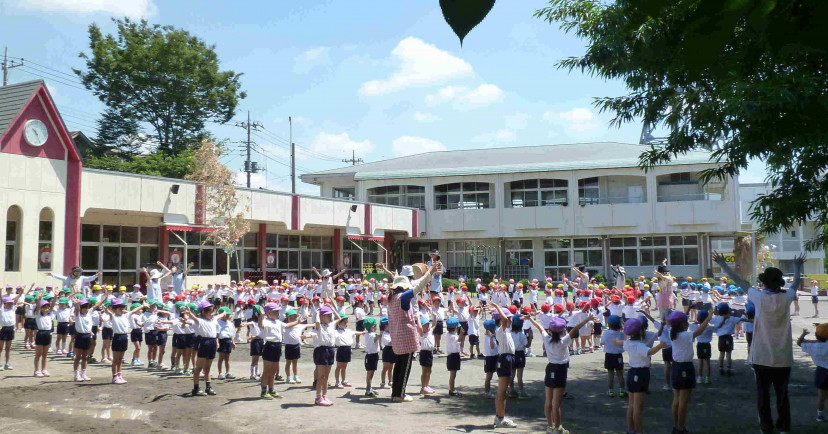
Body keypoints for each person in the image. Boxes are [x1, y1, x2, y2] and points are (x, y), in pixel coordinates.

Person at [714, 251, 803, 434]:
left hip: (761, 356)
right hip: (783, 357)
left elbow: (740, 282)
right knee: (782, 394)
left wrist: (723, 265)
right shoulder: (786, 298)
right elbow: (795, 283)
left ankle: (766, 426)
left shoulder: (759, 297)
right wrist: (797, 267)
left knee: (763, 395)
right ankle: (784, 427)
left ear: (764, 283)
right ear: (779, 283)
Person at [529, 309, 595, 434]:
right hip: (560, 370)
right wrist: (587, 319)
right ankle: (558, 428)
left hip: (550, 368)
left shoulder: (547, 339)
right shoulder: (564, 340)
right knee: (556, 402)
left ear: (550, 330)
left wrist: (530, 319)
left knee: (548, 400)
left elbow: (539, 328)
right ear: (563, 330)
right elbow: (575, 329)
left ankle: (550, 426)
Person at [387, 262, 438, 402]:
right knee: (405, 366)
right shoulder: (403, 297)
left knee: (399, 366)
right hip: (406, 335)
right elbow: (419, 286)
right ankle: (400, 394)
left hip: (396, 335)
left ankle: (396, 392)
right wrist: (430, 272)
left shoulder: (390, 298)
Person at [668, 309, 712, 434]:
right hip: (685, 368)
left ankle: (676, 426)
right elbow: (700, 330)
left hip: (675, 367)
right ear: (683, 324)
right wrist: (708, 318)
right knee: (683, 402)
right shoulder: (685, 335)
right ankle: (681, 428)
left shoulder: (671, 332)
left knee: (676, 399)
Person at [620, 317, 667, 434]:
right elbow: (649, 352)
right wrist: (660, 346)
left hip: (631, 373)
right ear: (641, 331)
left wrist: (616, 342)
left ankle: (630, 429)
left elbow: (623, 342)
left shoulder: (628, 343)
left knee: (631, 405)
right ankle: (639, 431)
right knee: (638, 407)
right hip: (640, 373)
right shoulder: (639, 345)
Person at [796, 324, 828, 422]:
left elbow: (799, 343)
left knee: (821, 396)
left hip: (821, 372)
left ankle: (819, 415)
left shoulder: (813, 347)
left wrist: (803, 335)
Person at [601, 314, 626, 397]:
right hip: (618, 355)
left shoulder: (606, 333)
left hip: (609, 355)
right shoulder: (621, 334)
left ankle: (610, 391)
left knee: (610, 374)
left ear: (609, 324)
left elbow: (602, 342)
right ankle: (622, 390)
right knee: (620, 374)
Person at [445, 316, 463, 397]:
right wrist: (462, 333)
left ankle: (452, 389)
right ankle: (452, 390)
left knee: (453, 374)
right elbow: (459, 340)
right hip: (453, 356)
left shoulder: (448, 335)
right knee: (453, 375)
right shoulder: (453, 337)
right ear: (455, 327)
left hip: (452, 356)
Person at [363, 317, 380, 397]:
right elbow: (375, 339)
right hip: (372, 355)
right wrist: (381, 335)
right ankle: (368, 389)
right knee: (370, 373)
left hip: (372, 355)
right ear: (373, 327)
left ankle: (369, 387)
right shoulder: (371, 335)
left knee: (371, 373)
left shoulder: (367, 334)